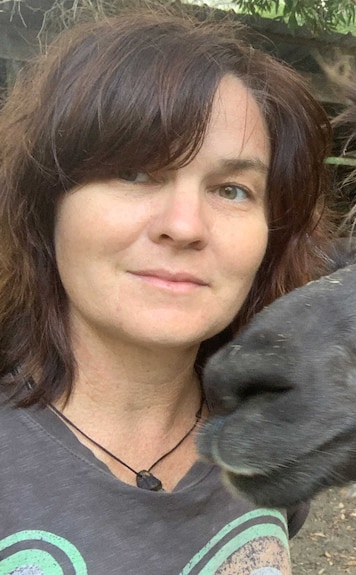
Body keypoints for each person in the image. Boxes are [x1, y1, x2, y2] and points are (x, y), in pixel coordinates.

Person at [0, 9, 333, 574]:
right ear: (43, 206)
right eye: (134, 173)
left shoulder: (269, 440)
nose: (184, 226)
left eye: (231, 189)